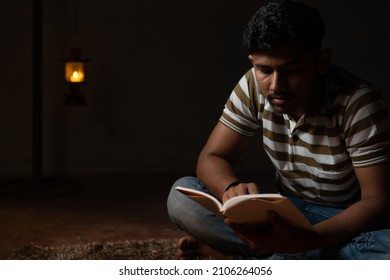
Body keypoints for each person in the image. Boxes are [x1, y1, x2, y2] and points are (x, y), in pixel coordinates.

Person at [167, 0, 390, 259]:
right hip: (284, 213)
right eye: (264, 70)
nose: (276, 85)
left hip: (343, 221)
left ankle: (254, 258)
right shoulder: (252, 84)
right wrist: (231, 187)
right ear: (253, 63)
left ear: (322, 62)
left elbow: (378, 203)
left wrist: (308, 239)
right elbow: (212, 157)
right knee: (181, 197)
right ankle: (290, 257)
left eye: (292, 70)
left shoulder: (358, 104)